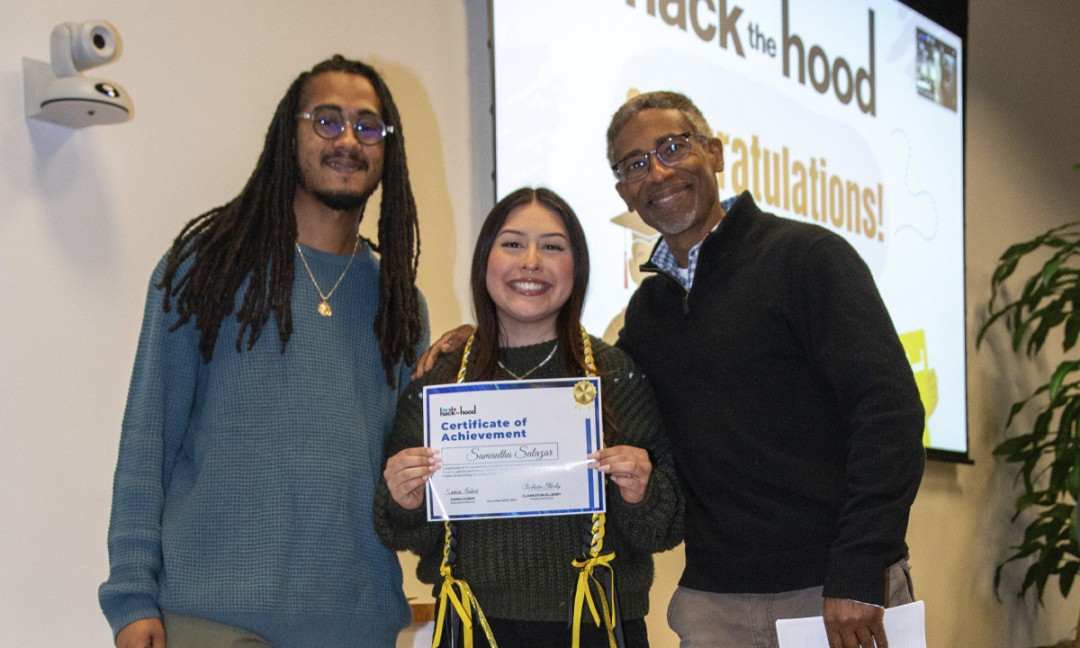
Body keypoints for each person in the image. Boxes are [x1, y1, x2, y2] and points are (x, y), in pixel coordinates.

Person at [419, 92, 926, 648]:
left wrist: (859, 565)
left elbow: (889, 413)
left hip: (831, 591)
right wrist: (487, 336)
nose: (657, 172)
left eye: (672, 148)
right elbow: (583, 388)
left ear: (715, 153)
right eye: (635, 164)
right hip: (715, 606)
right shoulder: (649, 312)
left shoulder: (806, 258)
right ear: (625, 193)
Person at [98, 55, 428, 648]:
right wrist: (131, 597)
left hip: (356, 626)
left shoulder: (401, 305)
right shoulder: (204, 270)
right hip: (212, 621)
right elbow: (148, 439)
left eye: (367, 126)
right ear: (289, 134)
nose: (348, 140)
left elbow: (404, 486)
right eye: (327, 121)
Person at [376, 187, 682, 648]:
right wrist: (405, 499)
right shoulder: (441, 380)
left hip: (597, 626)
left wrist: (642, 491)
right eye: (513, 243)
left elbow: (664, 528)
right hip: (472, 626)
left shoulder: (616, 375)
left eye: (553, 247)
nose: (532, 262)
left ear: (577, 267)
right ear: (485, 260)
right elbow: (399, 527)